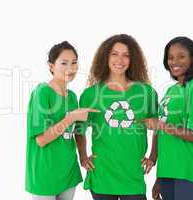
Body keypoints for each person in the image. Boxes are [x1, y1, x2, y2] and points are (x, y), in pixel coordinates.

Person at [75, 34, 158, 200]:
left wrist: (153, 157)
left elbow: (158, 127)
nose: (120, 60)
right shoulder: (90, 95)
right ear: (105, 57)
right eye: (114, 54)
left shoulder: (146, 92)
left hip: (133, 175)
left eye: (126, 55)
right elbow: (79, 129)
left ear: (132, 59)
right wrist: (83, 156)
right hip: (103, 175)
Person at [25, 41, 99, 200]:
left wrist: (83, 156)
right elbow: (41, 140)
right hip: (45, 172)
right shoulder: (42, 93)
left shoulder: (72, 97)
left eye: (74, 63)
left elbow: (78, 131)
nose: (70, 68)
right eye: (64, 63)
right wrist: (71, 117)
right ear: (51, 66)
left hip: (68, 170)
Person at [144, 36, 193, 200]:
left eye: (181, 56)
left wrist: (161, 125)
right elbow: (161, 131)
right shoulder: (171, 90)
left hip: (188, 170)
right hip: (168, 171)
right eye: (170, 57)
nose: (174, 61)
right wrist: (158, 171)